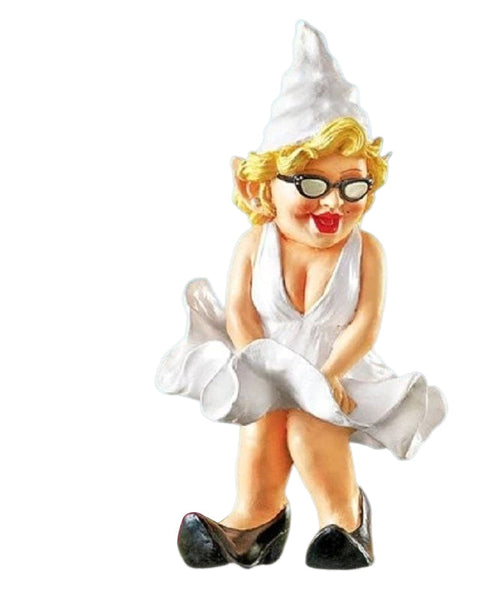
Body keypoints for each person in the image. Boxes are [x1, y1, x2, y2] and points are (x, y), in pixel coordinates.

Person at [156, 23, 446, 570]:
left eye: (352, 185)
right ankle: (255, 517)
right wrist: (255, 362)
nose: (333, 202)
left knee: (313, 425)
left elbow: (365, 323)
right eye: (312, 183)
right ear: (265, 184)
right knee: (264, 423)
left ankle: (345, 519)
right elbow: (240, 310)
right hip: (265, 363)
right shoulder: (254, 243)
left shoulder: (366, 251)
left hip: (337, 369)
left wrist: (329, 373)